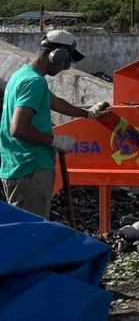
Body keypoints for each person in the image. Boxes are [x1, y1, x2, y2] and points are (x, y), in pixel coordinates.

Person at [0, 30, 109, 219]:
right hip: (30, 168)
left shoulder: (23, 75)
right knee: (31, 233)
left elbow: (55, 102)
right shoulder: (33, 82)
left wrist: (88, 113)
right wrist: (53, 141)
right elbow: (18, 129)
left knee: (27, 230)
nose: (65, 68)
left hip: (19, 165)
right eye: (66, 62)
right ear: (57, 55)